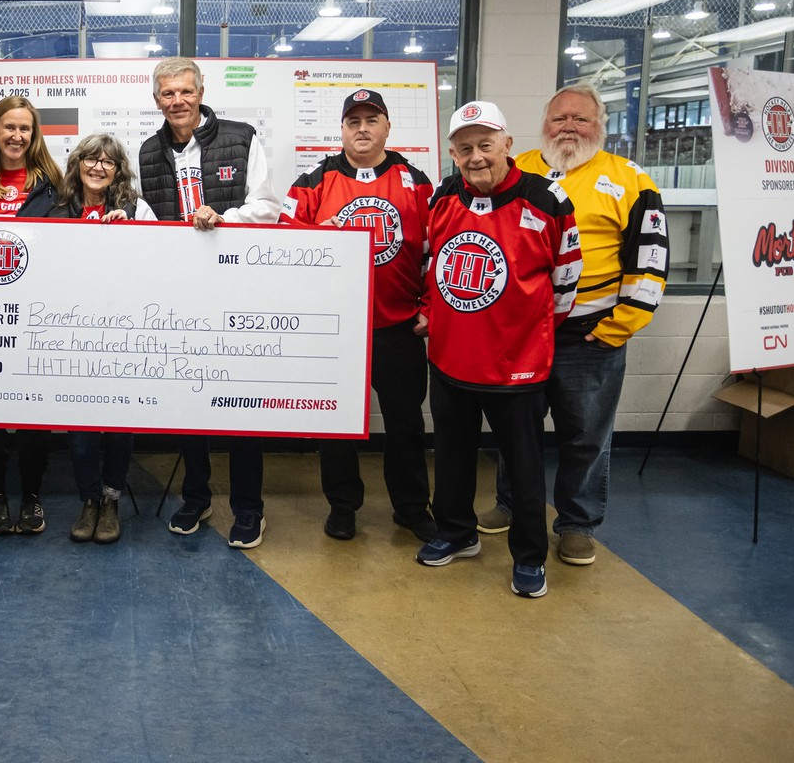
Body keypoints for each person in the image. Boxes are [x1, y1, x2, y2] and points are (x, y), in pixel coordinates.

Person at [477, 84, 668, 566]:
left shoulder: (631, 180)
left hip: (591, 334)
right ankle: (510, 503)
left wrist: (618, 326)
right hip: (523, 333)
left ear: (599, 126)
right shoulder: (515, 169)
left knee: (585, 435)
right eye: (559, 118)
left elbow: (651, 260)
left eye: (580, 119)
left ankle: (577, 523)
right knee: (514, 429)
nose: (568, 127)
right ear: (544, 124)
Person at [416, 100, 581, 600]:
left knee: (524, 466)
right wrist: (431, 309)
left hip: (519, 366)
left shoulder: (548, 199)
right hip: (450, 359)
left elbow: (567, 281)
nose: (476, 157)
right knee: (451, 456)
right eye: (464, 148)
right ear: (452, 153)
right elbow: (430, 262)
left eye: (486, 145)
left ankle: (528, 557)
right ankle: (455, 532)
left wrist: (526, 328)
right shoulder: (444, 196)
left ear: (508, 144)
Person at [279, 88, 435, 542]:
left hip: (399, 326)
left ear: (387, 126)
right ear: (342, 129)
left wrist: (430, 309)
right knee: (339, 423)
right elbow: (285, 250)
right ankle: (343, 505)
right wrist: (314, 237)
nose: (362, 128)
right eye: (354, 121)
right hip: (339, 329)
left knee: (406, 424)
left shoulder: (417, 180)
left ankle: (410, 506)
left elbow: (438, 250)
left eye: (372, 119)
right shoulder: (312, 182)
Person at [136, 56, 280, 549]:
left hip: (237, 290)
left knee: (240, 404)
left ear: (200, 92)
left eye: (184, 91)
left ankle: (249, 508)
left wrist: (222, 217)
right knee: (189, 403)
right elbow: (152, 223)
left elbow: (267, 208)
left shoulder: (240, 137)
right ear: (157, 100)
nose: (176, 101)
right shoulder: (149, 151)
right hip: (181, 295)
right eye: (166, 94)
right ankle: (196, 497)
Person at [0, 96, 63, 536]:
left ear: (34, 134)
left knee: (33, 416)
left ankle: (32, 495)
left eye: (25, 128)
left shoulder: (53, 185)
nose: (17, 136)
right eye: (9, 127)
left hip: (37, 316)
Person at [49, 133, 154, 544]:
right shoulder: (57, 208)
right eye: (90, 159)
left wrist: (130, 234)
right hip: (71, 335)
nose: (98, 167)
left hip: (123, 336)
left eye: (107, 162)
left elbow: (162, 258)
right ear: (77, 163)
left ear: (118, 171)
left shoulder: (136, 208)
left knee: (118, 426)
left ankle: (111, 502)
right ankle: (88, 500)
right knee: (80, 432)